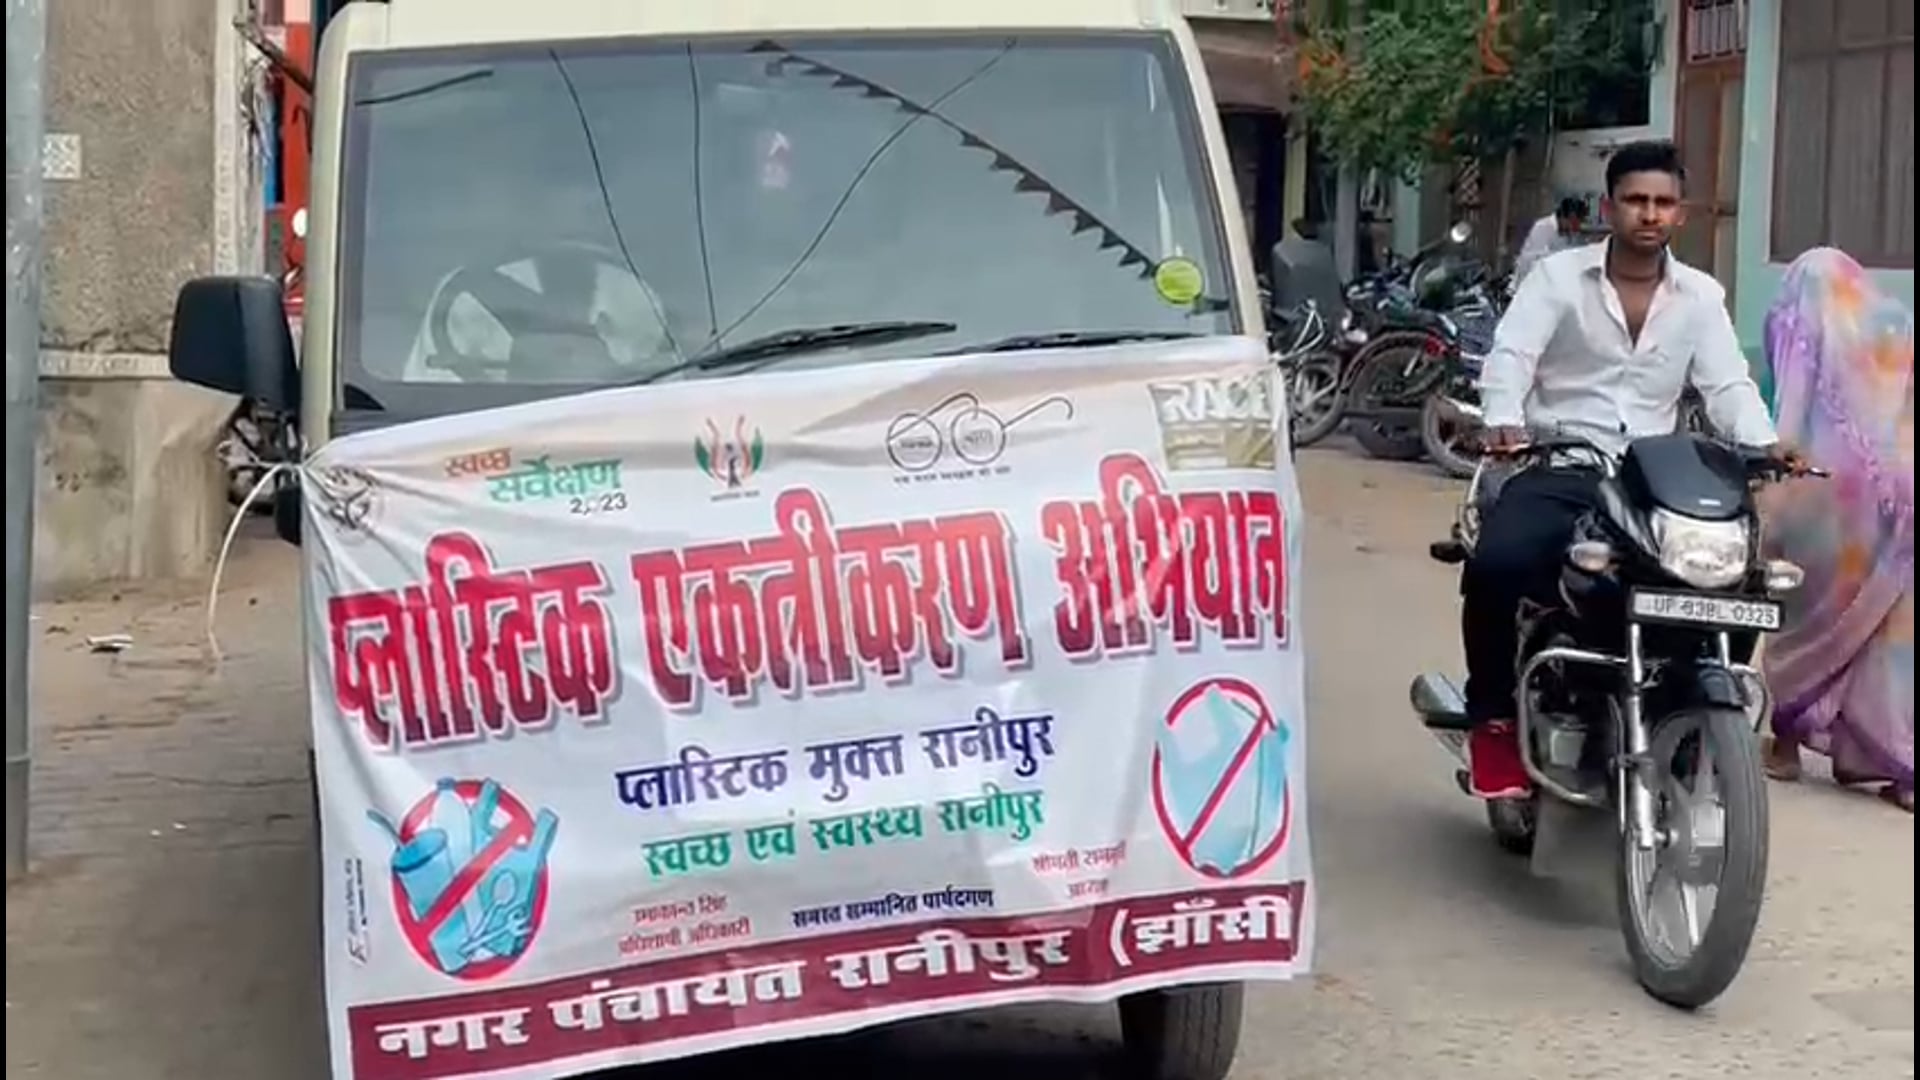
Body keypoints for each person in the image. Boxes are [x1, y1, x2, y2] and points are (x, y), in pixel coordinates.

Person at [1463, 139, 1790, 799]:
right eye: (1636, 200)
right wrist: (1502, 419)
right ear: (1609, 209)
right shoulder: (1557, 279)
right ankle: (1493, 722)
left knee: (1737, 583)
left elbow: (1726, 384)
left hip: (1650, 478)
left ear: (1681, 213)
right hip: (1562, 461)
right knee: (1497, 564)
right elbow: (1512, 357)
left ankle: (1693, 717)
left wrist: (1766, 444)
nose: (1650, 213)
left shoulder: (1700, 296)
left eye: (1663, 202)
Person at [1757, 248, 1914, 813]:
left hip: (1823, 498)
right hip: (1900, 500)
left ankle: (1786, 745)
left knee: (1805, 616)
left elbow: (1788, 416)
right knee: (1885, 632)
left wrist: (1772, 493)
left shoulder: (1801, 320)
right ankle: (1901, 766)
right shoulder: (1893, 331)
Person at [1512, 196, 1589, 285]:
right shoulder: (1543, 227)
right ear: (1570, 217)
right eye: (1576, 222)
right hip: (1531, 282)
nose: (1577, 227)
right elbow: (1533, 261)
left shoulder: (1568, 235)